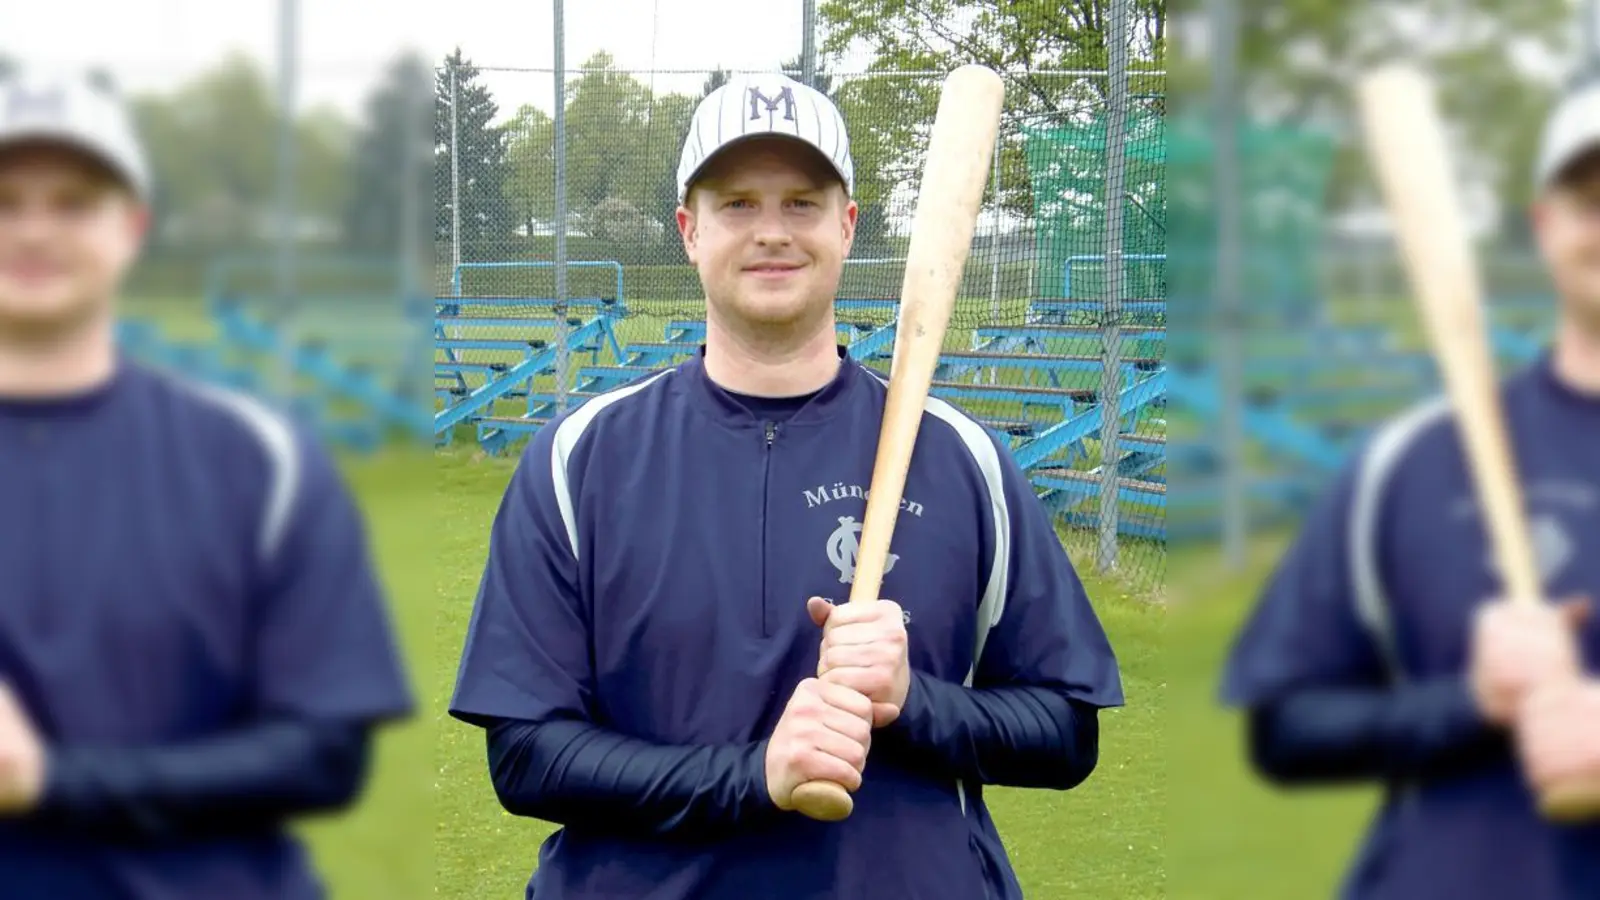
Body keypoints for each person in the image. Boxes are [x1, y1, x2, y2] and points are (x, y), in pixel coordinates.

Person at [448, 72, 1124, 899]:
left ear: (846, 227)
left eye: (801, 203)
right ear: (689, 230)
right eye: (737, 204)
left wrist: (913, 702)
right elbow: (525, 755)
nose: (772, 231)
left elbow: (1065, 731)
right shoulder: (580, 459)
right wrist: (755, 775)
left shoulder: (963, 460)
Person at [0, 67, 414, 898]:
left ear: (133, 226)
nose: (34, 230)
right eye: (5, 201)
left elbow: (323, 753)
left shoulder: (260, 460)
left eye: (74, 201)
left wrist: (48, 781)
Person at [1220, 75, 1600, 899]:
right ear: (1546, 225)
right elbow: (1285, 725)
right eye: (1592, 198)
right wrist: (1472, 700)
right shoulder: (1416, 461)